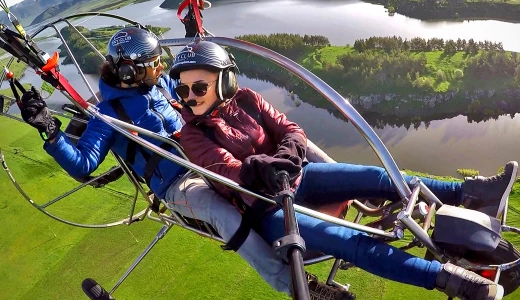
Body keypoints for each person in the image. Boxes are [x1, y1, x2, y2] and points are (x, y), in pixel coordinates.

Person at [18, 27, 355, 299]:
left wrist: (197, 40)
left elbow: (193, 82)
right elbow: (83, 164)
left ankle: (362, 200)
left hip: (209, 154)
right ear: (129, 71)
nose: (161, 68)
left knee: (290, 144)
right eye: (153, 64)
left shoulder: (161, 85)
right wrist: (50, 131)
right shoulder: (107, 115)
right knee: (222, 212)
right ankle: (301, 287)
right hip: (178, 183)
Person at [169, 39, 520, 300]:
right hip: (266, 207)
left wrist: (288, 154)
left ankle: (474, 194)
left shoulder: (248, 99)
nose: (191, 96)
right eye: (183, 89)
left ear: (226, 81)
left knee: (380, 178)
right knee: (349, 242)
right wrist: (273, 164)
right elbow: (231, 174)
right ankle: (454, 281)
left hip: (299, 176)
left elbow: (291, 130)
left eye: (199, 87)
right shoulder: (193, 133)